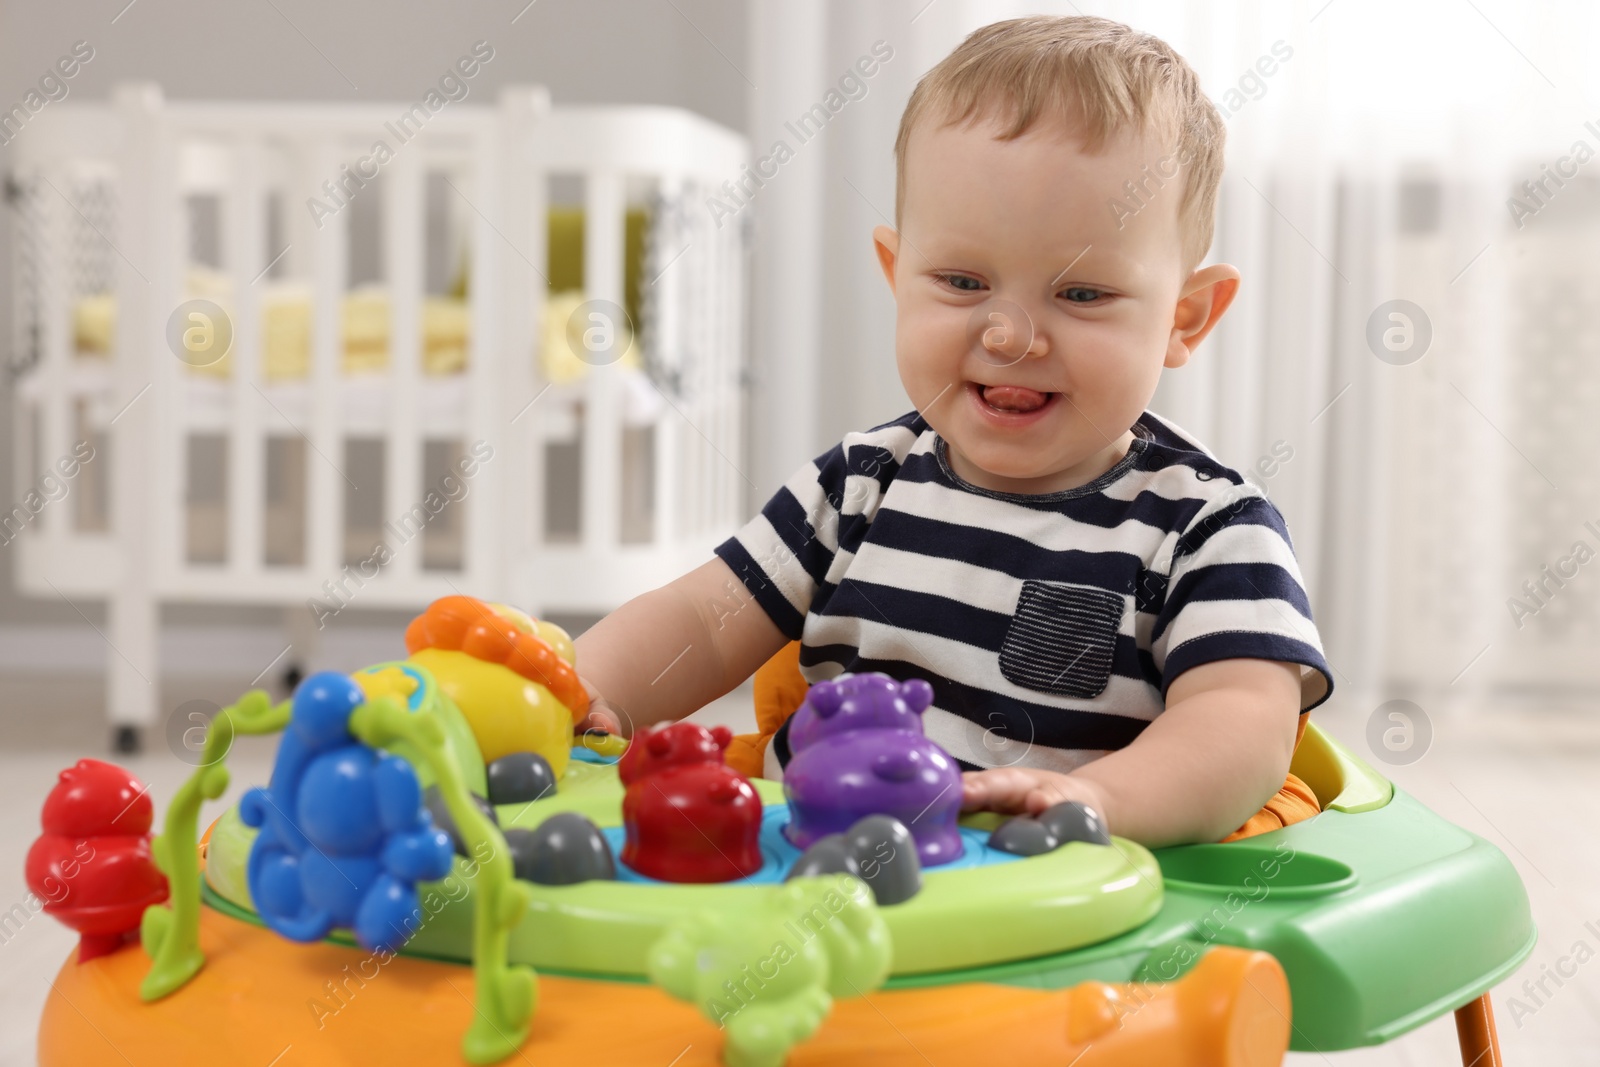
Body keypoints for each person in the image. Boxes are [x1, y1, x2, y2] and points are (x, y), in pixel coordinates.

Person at [573, 14, 1334, 849]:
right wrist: (581, 688)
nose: (1010, 334)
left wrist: (1095, 798)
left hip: (1050, 903)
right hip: (813, 871)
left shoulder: (1206, 529)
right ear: (898, 277)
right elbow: (704, 619)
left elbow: (1242, 722)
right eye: (964, 281)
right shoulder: (858, 484)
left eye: (1081, 295)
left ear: (1185, 318)